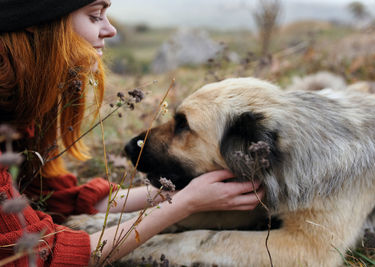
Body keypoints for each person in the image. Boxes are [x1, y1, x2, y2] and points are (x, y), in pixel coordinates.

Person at [0, 0, 264, 266]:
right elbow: (41, 257)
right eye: (94, 16)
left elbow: (52, 197)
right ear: (35, 22)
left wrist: (177, 191)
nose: (111, 30)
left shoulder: (23, 107)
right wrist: (184, 204)